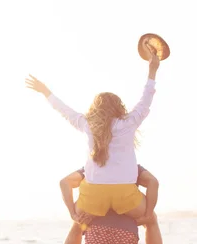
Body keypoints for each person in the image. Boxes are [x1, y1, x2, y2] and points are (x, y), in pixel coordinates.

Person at [25, 42, 160, 222]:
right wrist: (152, 70)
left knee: (79, 224)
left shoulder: (87, 124)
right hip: (124, 195)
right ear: (119, 107)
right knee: (152, 220)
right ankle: (147, 217)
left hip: (94, 196)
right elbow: (146, 99)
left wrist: (45, 92)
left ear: (95, 109)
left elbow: (63, 110)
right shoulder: (129, 122)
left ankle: (74, 220)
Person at [53, 165, 169, 244]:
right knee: (152, 220)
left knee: (79, 223)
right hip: (127, 208)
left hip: (96, 206)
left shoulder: (92, 166)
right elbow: (153, 182)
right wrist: (147, 215)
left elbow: (65, 182)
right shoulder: (130, 165)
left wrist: (73, 213)